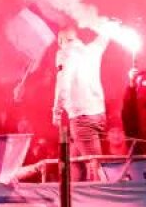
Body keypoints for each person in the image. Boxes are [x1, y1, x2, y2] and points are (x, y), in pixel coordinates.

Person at [52, 25, 111, 181]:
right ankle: (73, 200)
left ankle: (102, 202)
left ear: (60, 40)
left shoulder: (64, 54)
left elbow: (63, 84)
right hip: (98, 114)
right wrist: (109, 26)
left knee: (95, 166)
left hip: (82, 117)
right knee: (75, 162)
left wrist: (56, 111)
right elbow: (102, 40)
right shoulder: (90, 50)